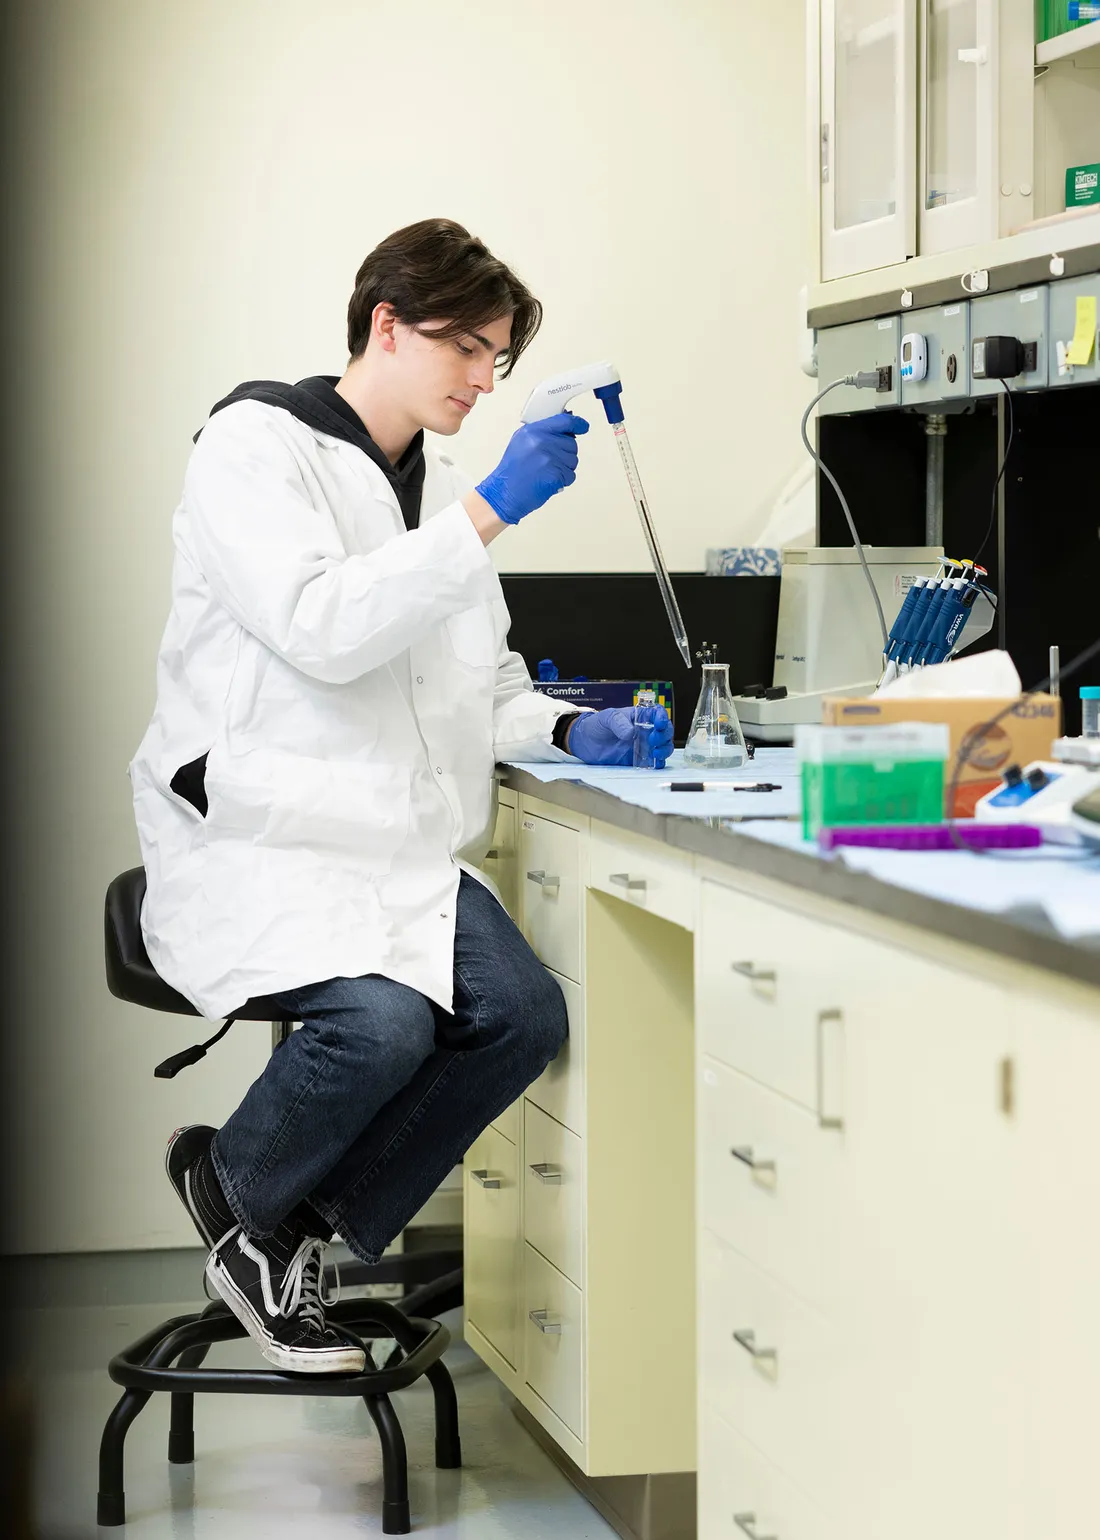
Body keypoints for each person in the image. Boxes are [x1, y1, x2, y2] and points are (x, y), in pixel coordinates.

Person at [130, 218, 672, 1373]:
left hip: (389, 848)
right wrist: (486, 521)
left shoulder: (439, 487)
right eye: (467, 347)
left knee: (521, 1016)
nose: (484, 378)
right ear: (386, 324)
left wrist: (578, 725)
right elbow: (319, 628)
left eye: (499, 357)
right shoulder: (252, 446)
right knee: (380, 1024)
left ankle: (281, 1230)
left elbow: (482, 685)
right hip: (264, 834)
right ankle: (227, 1179)